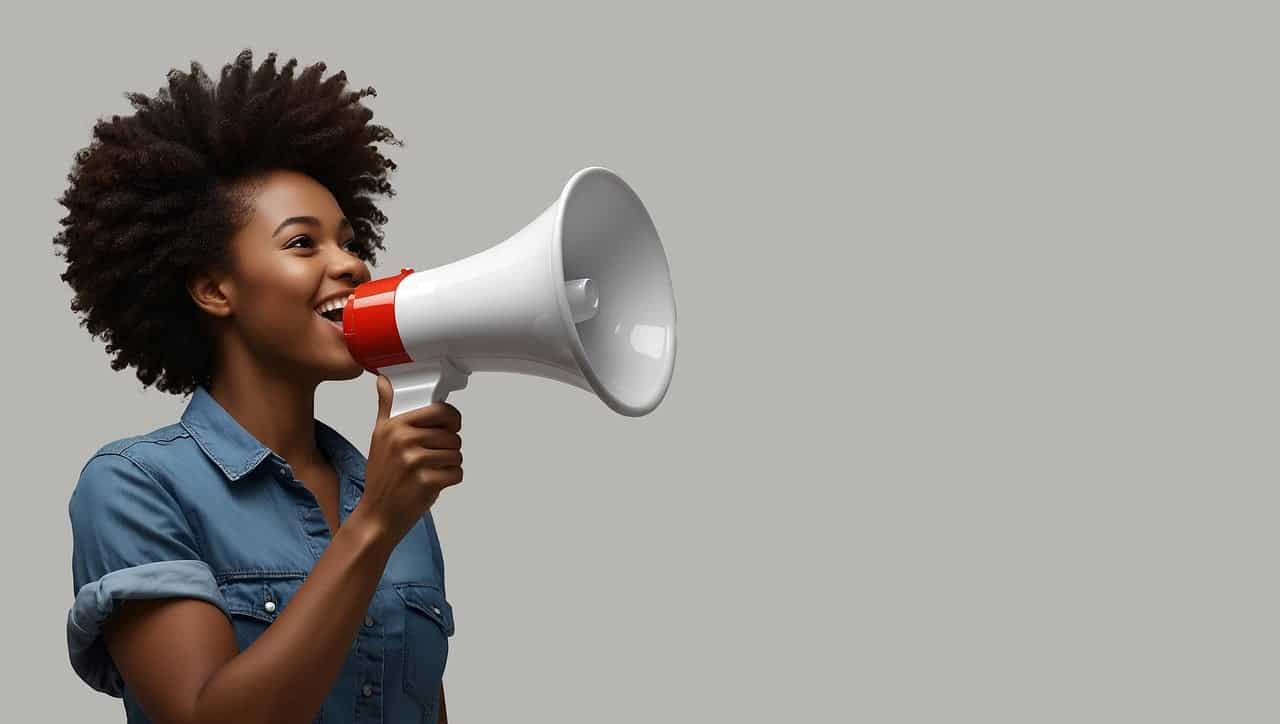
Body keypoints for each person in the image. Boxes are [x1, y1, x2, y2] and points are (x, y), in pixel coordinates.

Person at [53, 49, 463, 723]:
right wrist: (374, 528)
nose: (352, 263)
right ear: (215, 289)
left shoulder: (388, 491)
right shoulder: (135, 486)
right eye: (303, 244)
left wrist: (389, 508)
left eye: (349, 241)